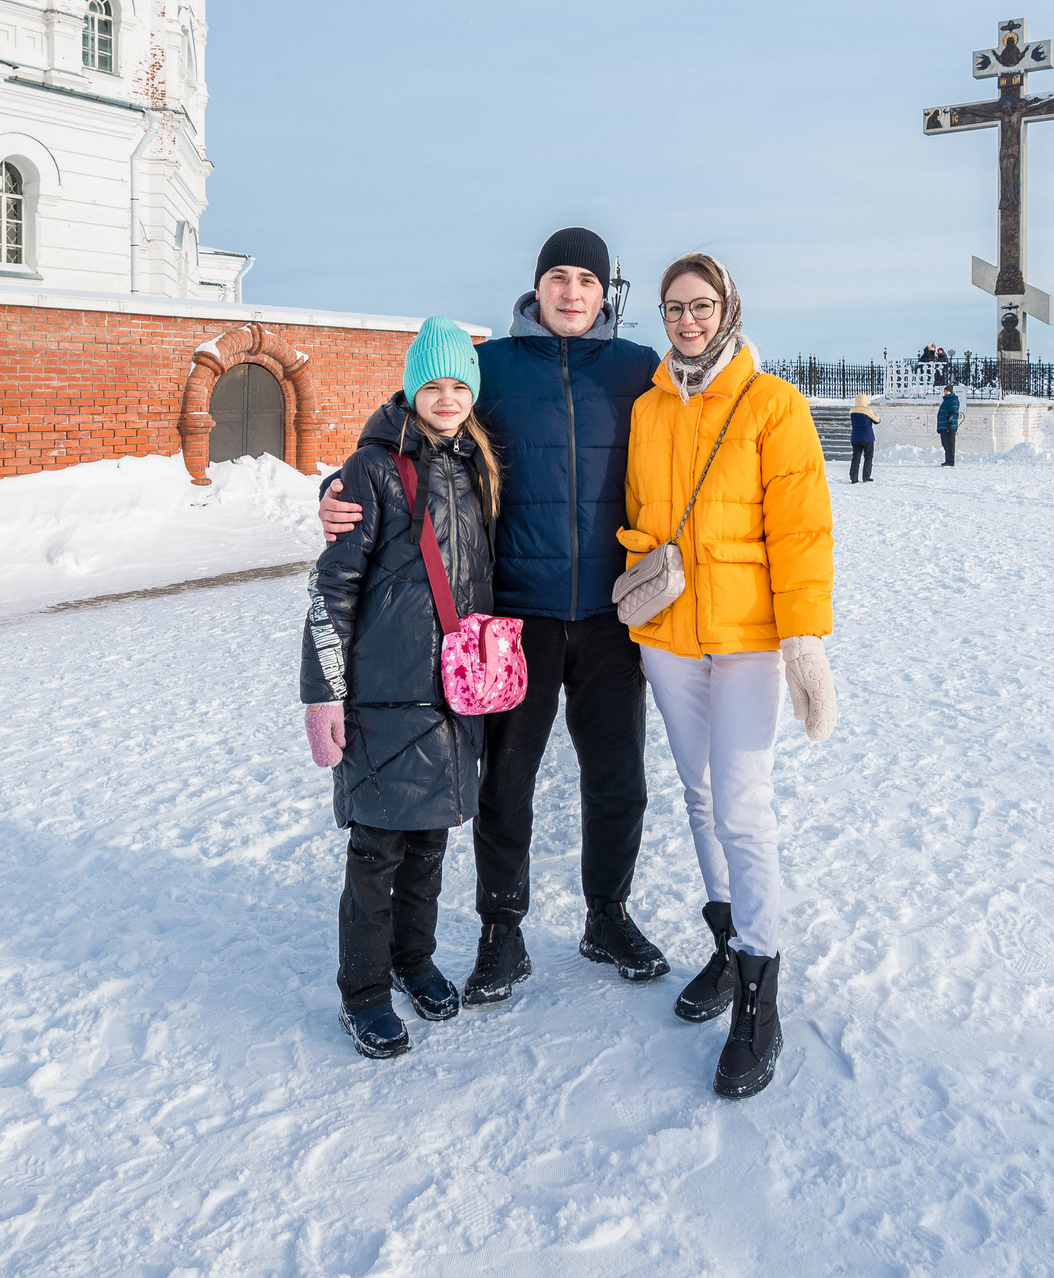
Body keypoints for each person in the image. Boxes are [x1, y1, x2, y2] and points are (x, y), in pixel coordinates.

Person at [319, 228, 667, 1009]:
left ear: (606, 291)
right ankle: (501, 933)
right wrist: (339, 490)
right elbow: (414, 414)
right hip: (515, 619)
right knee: (507, 784)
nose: (572, 291)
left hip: (612, 616)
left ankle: (607, 917)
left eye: (586, 279)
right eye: (558, 277)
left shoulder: (638, 370)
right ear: (536, 287)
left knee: (619, 780)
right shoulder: (498, 366)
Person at [622, 252, 837, 1099]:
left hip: (748, 638)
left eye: (701, 305)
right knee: (699, 793)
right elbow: (637, 512)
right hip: (670, 635)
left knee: (743, 801)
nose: (687, 320)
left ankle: (759, 986)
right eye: (674, 307)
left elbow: (802, 528)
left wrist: (804, 639)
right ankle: (724, 939)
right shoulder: (646, 406)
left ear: (729, 309)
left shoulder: (772, 403)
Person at [300, 318, 501, 1059]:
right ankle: (362, 991)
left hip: (452, 699)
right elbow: (333, 589)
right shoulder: (374, 469)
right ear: (412, 386)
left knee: (430, 847)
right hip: (384, 700)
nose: (446, 398)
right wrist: (323, 694)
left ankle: (413, 959)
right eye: (433, 384)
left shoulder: (473, 464)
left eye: (459, 386)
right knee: (377, 854)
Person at [846, 394, 877, 484]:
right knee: (868, 457)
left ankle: (853, 477)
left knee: (856, 457)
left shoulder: (852, 411)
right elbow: (877, 421)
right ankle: (866, 476)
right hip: (867, 437)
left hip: (855, 437)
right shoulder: (868, 411)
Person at [936, 381, 963, 466]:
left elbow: (954, 412)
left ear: (951, 392)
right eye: (945, 391)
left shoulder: (953, 400)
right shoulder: (946, 400)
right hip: (943, 426)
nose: (945, 392)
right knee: (945, 443)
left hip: (949, 426)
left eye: (947, 391)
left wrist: (950, 423)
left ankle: (950, 461)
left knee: (950, 444)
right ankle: (948, 460)